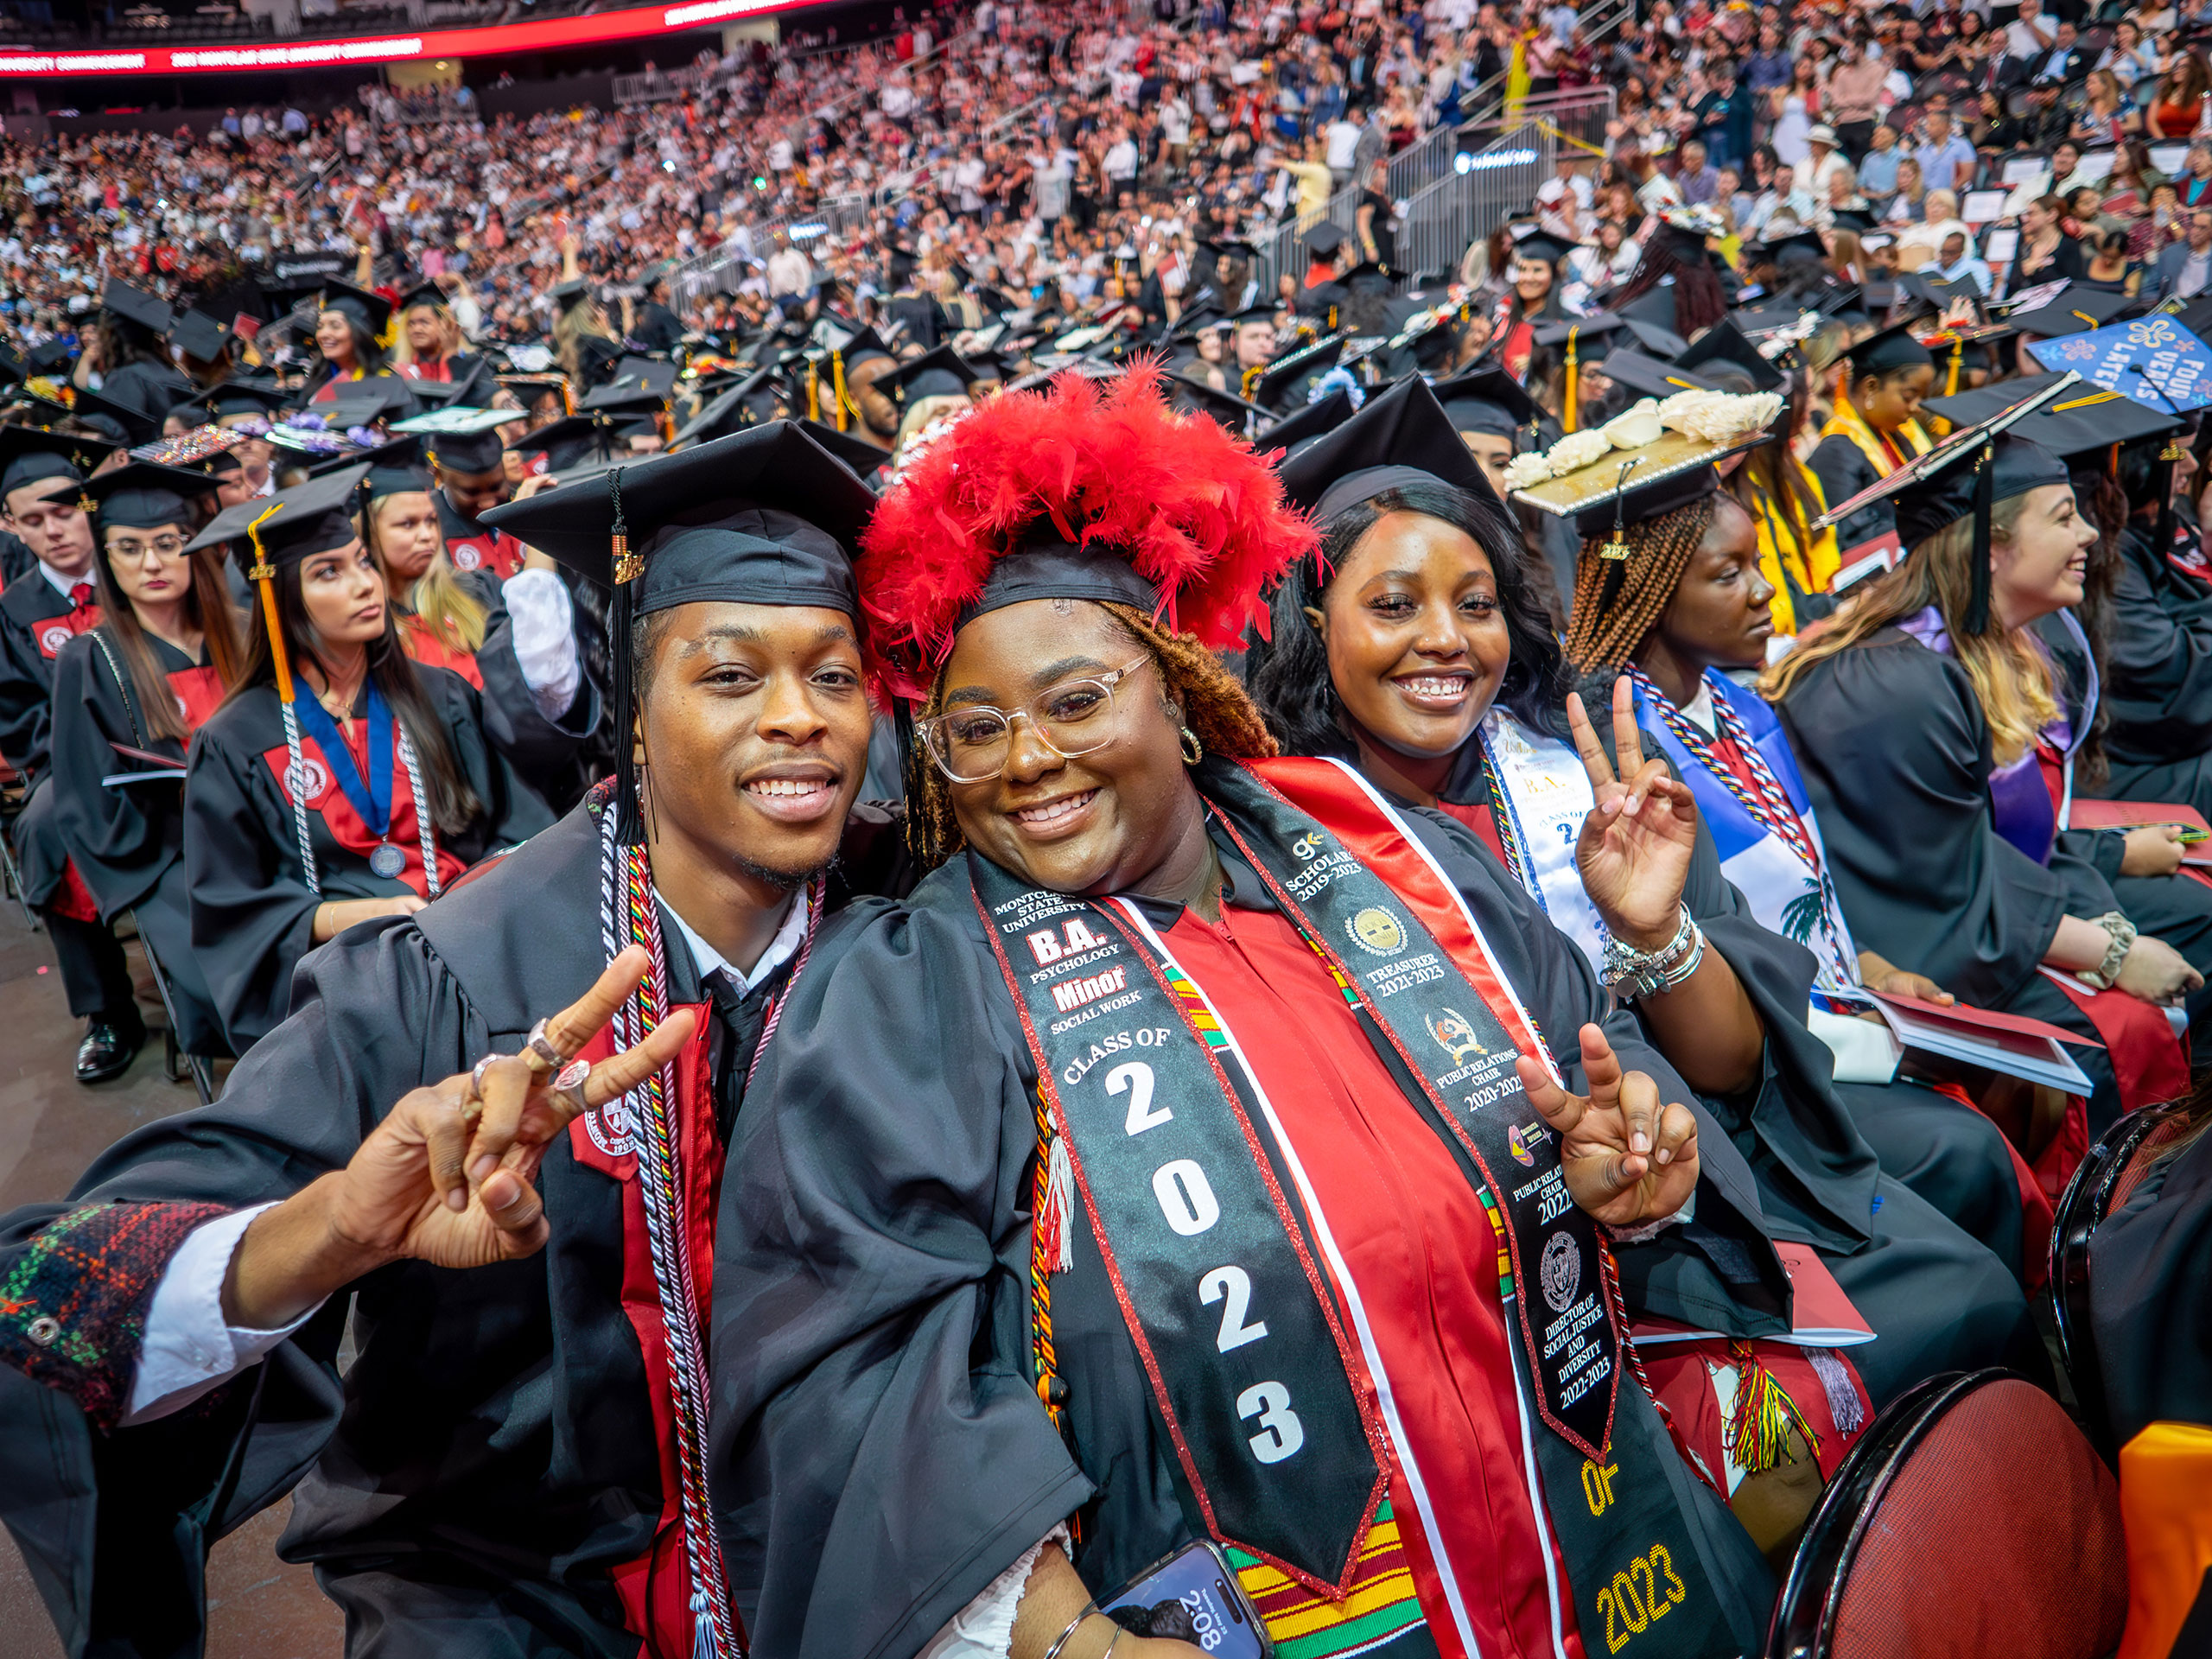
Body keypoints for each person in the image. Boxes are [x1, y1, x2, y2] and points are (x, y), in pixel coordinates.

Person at [719, 365, 1783, 1659]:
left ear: (1177, 688)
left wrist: (1632, 1177)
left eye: (1074, 701)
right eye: (976, 729)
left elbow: (1589, 1085)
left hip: (1568, 1535)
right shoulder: (910, 988)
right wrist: (1062, 1638)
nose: (1028, 761)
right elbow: (855, 1374)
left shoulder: (1384, 853)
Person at [0, 423, 884, 1659]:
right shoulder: (435, 985)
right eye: (730, 676)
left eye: (835, 677)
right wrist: (337, 1230)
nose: (798, 718)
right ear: (631, 717)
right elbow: (45, 1298)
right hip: (513, 1585)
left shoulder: (908, 938)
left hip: (847, 1553)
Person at [1257, 381, 2033, 1357]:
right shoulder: (1273, 839)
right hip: (1500, 1247)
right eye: (1393, 605)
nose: (1447, 639)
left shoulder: (1585, 773)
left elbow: (1729, 1065)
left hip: (1694, 1158)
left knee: (1970, 1286)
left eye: (1477, 603)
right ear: (1311, 620)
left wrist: (1652, 929)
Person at [1768, 417, 2201, 1137]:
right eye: (2065, 517)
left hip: (1977, 913)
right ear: (1992, 549)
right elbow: (1938, 891)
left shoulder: (1990, 652)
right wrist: (2112, 951)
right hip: (1906, 957)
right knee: (2104, 1045)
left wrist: (2106, 924)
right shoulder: (1896, 685)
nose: (2090, 534)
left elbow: (2010, 840)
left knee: (2188, 925)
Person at [182, 467, 556, 1051]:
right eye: (329, 572)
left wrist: (479, 894)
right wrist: (343, 916)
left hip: (466, 935)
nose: (364, 584)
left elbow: (514, 827)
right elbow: (232, 902)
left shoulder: (439, 696)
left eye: (362, 561)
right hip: (343, 968)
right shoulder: (236, 741)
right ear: (279, 596)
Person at [46, 461, 245, 1061]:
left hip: (266, 835)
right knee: (233, 977)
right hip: (169, 854)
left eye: (167, 544)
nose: (152, 564)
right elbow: (89, 798)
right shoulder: (91, 659)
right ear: (106, 557)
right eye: (130, 549)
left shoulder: (240, 633)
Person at [0, 424, 145, 1082]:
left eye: (65, 510)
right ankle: (109, 1010)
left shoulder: (134, 571)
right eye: (35, 520)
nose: (55, 529)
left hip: (163, 749)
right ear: (13, 529)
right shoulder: (16, 610)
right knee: (42, 827)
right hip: (70, 767)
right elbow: (18, 715)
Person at [360, 440, 602, 812]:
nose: (425, 535)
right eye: (407, 525)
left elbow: (537, 670)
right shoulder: (371, 630)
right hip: (443, 792)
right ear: (369, 535)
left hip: (520, 782)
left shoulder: (475, 591)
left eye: (429, 521)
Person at [1808, 321, 1936, 576]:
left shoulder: (1895, 437)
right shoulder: (1835, 453)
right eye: (1909, 396)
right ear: (1871, 387)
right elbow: (1857, 539)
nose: (1916, 408)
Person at [306, 280, 397, 401]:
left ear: (359, 333)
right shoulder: (317, 382)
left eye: (335, 326)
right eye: (320, 326)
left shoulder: (386, 382)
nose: (324, 334)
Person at [392, 280, 481, 385]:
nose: (416, 329)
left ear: (444, 324)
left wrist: (451, 355)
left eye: (424, 322)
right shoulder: (399, 371)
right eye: (411, 324)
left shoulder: (472, 363)